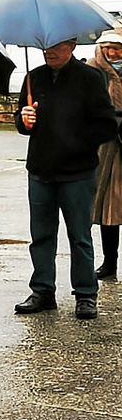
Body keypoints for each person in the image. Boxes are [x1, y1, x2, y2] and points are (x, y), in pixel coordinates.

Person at [15, 38, 118, 319]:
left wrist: (76, 141)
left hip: (77, 173)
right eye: (46, 46)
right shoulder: (33, 77)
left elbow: (107, 125)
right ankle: (42, 291)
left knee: (80, 236)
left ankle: (85, 294)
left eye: (57, 46)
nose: (50, 51)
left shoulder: (90, 78)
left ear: (71, 45)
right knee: (41, 236)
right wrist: (23, 120)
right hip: (40, 171)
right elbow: (21, 122)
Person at [88, 30, 122, 280]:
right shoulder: (92, 72)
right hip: (106, 146)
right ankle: (110, 263)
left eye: (118, 48)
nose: (113, 53)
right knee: (109, 207)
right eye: (108, 47)